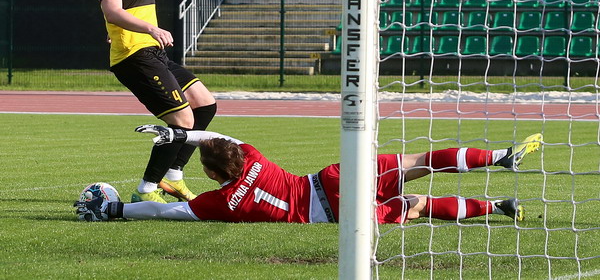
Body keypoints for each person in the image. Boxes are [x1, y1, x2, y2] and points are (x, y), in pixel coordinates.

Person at [75, 125, 543, 224]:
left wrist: (116, 210)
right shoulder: (253, 155)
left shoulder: (219, 202)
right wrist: (182, 134)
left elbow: (167, 211)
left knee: (413, 207)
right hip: (329, 179)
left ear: (215, 174)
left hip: (327, 213)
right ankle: (500, 155)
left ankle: (496, 207)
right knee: (416, 162)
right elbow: (223, 138)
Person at [94, 0, 217, 205]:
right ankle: (146, 189)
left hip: (153, 52)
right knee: (182, 118)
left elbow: (128, 11)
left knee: (205, 104)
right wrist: (149, 29)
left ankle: (172, 176)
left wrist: (123, 30)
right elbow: (112, 10)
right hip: (134, 57)